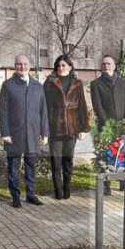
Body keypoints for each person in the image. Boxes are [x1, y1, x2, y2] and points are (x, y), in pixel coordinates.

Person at [0, 55, 48, 208]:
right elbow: (3, 111)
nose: (22, 67)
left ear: (30, 65)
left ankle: (31, 195)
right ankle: (16, 197)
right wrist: (5, 133)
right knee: (13, 168)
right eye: (19, 64)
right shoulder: (8, 85)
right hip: (14, 133)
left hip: (32, 133)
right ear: (15, 66)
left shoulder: (38, 86)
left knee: (31, 166)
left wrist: (45, 133)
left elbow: (43, 111)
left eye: (25, 64)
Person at [43, 55, 90, 200]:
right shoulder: (50, 82)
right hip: (55, 127)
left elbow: (82, 106)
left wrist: (84, 128)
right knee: (56, 161)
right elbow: (44, 107)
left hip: (72, 127)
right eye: (59, 65)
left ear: (70, 67)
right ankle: (58, 191)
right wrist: (45, 130)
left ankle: (67, 190)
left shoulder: (77, 83)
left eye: (64, 65)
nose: (61, 68)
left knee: (68, 160)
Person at [91, 55, 125, 195]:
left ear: (114, 66)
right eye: (104, 64)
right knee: (106, 156)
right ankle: (106, 185)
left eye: (109, 63)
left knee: (122, 155)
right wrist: (107, 124)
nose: (106, 66)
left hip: (122, 126)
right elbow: (97, 106)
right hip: (105, 127)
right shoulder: (96, 84)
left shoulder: (122, 83)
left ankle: (123, 183)